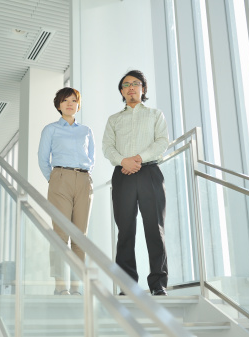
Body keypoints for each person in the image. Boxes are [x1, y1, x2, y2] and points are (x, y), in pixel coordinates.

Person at [102, 70, 169, 296]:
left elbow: (162, 142)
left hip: (149, 172)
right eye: (126, 84)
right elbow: (107, 148)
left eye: (136, 83)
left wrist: (138, 159)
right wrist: (124, 162)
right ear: (122, 91)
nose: (131, 87)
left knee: (154, 229)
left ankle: (158, 284)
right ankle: (127, 285)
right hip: (123, 175)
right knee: (125, 231)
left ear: (143, 89)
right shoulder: (114, 120)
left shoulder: (155, 115)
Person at [38, 87, 95, 295]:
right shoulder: (50, 129)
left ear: (78, 105)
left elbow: (92, 158)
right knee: (61, 234)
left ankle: (77, 286)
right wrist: (55, 180)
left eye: (74, 100)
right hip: (60, 179)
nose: (70, 104)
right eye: (65, 100)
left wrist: (84, 178)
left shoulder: (86, 131)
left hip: (83, 180)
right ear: (58, 105)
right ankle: (60, 286)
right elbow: (43, 159)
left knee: (80, 236)